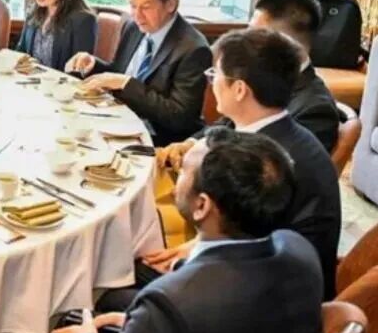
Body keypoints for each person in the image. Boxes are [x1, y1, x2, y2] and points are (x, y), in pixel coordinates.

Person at [0, 128, 323, 333]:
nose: (175, 176)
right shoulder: (300, 251)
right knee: (110, 302)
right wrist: (136, 327)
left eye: (183, 171)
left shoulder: (174, 304)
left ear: (202, 206)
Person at [134, 29, 341, 301]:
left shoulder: (265, 163)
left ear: (240, 89)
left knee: (125, 267)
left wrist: (186, 260)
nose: (211, 83)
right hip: (257, 265)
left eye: (215, 74)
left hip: (271, 294)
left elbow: (249, 254)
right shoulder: (270, 131)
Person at [65, 0, 211, 146]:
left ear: (171, 4)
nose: (137, 15)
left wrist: (126, 84)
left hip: (157, 139)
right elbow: (119, 72)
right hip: (117, 121)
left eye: (146, 7)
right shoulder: (133, 27)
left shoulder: (193, 48)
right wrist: (93, 64)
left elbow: (179, 116)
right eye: (133, 6)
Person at [15, 0, 97, 71]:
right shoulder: (33, 11)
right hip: (27, 80)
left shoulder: (83, 20)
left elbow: (79, 69)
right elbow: (20, 52)